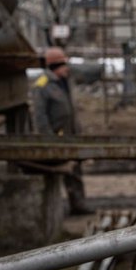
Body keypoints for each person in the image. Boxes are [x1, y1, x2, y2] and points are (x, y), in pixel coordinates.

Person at [32, 46, 93, 215]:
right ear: (55, 66)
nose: (67, 68)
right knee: (59, 172)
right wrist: (48, 139)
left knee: (75, 171)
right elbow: (40, 116)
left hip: (71, 135)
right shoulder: (42, 85)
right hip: (57, 137)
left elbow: (71, 110)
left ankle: (78, 204)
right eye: (64, 64)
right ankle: (56, 209)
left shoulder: (64, 82)